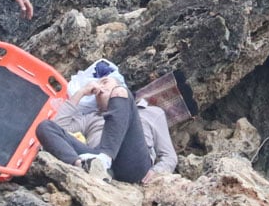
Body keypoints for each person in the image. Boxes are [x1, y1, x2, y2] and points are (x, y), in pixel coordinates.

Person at [37, 77, 177, 184]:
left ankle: (105, 158)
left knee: (120, 93)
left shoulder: (150, 113)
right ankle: (82, 166)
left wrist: (155, 171)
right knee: (45, 126)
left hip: (132, 162)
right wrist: (81, 92)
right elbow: (59, 127)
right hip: (96, 160)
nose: (99, 87)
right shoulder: (91, 117)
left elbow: (169, 156)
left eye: (105, 82)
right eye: (97, 86)